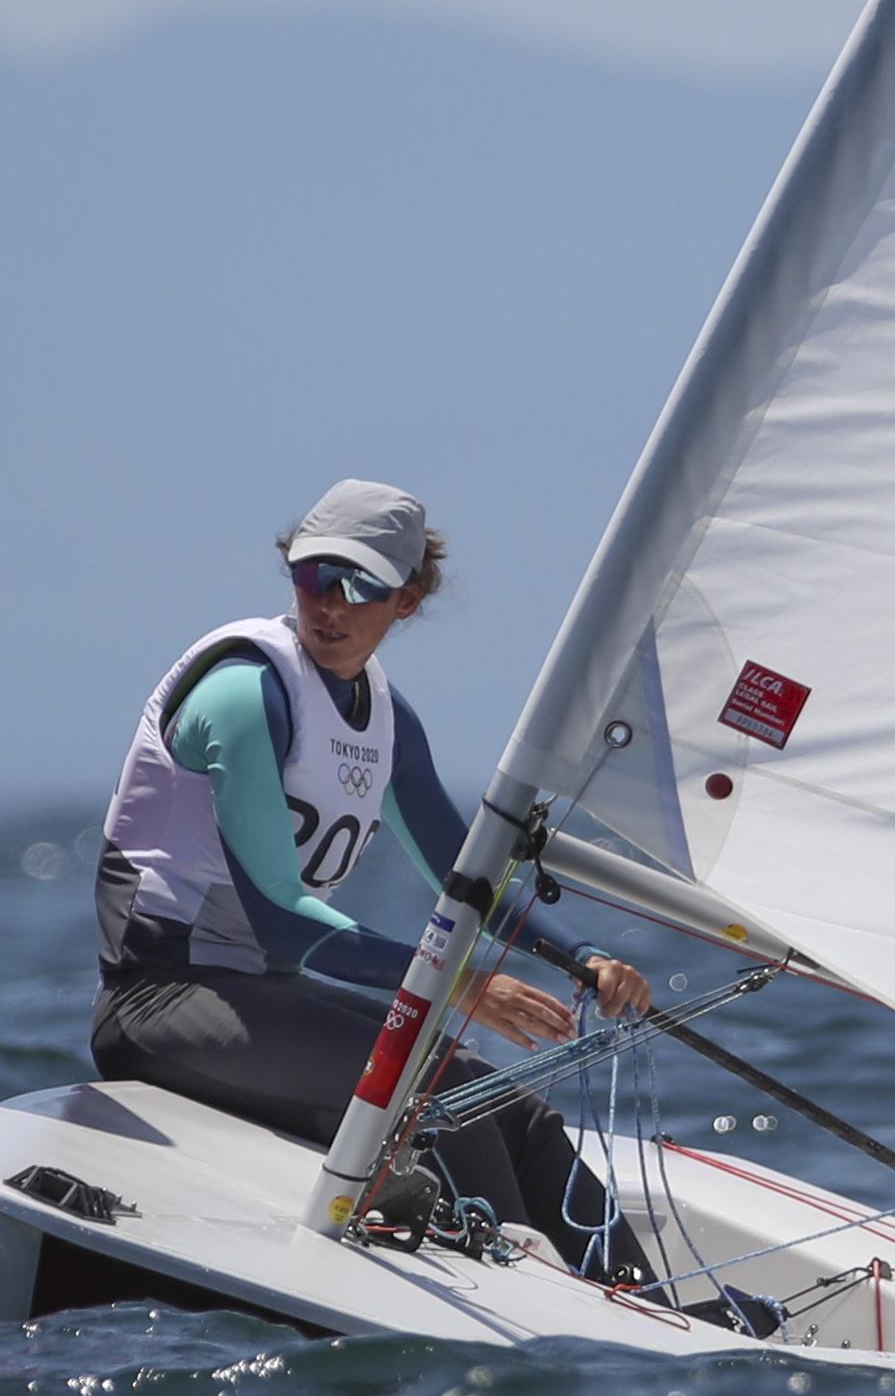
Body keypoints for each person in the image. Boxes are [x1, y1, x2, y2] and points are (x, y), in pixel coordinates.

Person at [88, 478, 656, 1276]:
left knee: (514, 1112)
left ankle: (654, 1310)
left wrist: (584, 957)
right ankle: (540, 1309)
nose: (331, 603)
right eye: (313, 576)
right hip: (158, 1002)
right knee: (435, 1102)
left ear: (408, 601)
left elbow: (473, 883)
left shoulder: (388, 722)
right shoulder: (244, 696)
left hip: (262, 996)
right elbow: (283, 920)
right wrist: (452, 984)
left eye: (360, 586)